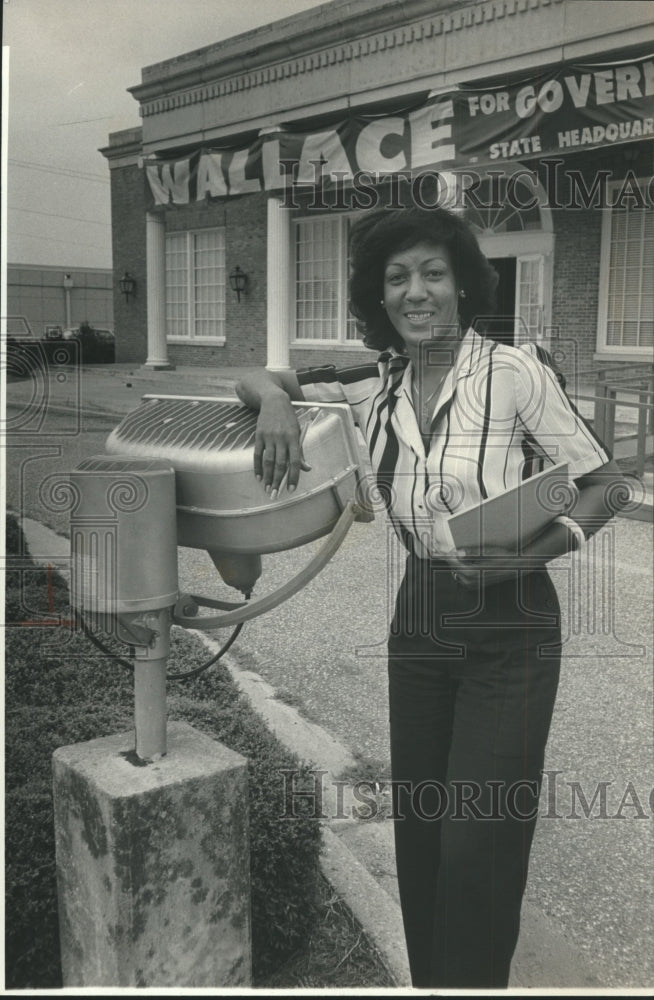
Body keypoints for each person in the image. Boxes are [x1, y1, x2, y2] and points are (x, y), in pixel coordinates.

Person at [235, 205, 628, 989]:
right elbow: (255, 376)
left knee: (479, 839)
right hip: (419, 617)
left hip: (511, 620)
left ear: (462, 285)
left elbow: (606, 485)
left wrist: (532, 555)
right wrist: (276, 402)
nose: (417, 292)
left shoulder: (514, 373)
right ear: (379, 298)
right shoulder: (370, 380)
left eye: (433, 273)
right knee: (422, 832)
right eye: (397, 277)